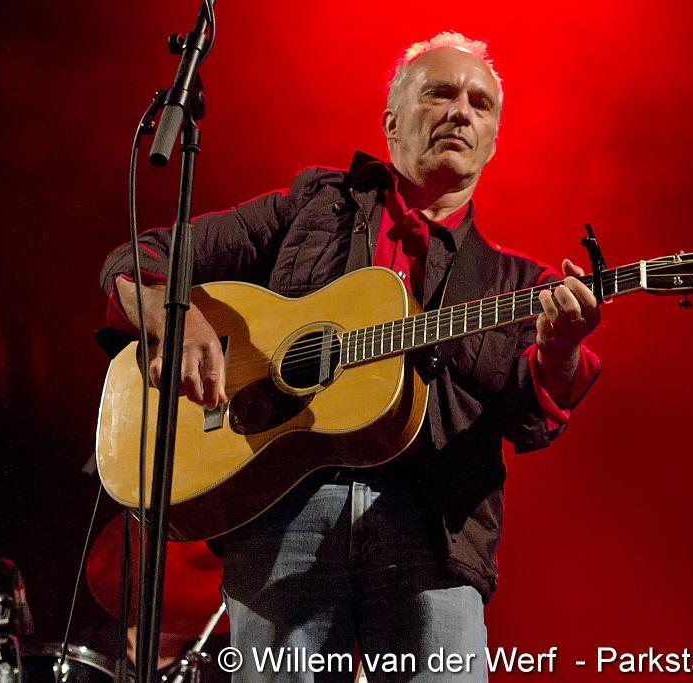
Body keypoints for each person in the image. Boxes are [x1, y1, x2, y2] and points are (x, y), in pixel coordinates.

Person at [98, 32, 601, 682]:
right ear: (391, 123)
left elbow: (532, 419)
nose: (461, 112)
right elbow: (137, 258)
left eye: (480, 104)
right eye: (441, 93)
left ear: (493, 141)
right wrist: (177, 319)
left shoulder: (516, 285)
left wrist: (559, 348)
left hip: (434, 528)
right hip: (280, 506)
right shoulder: (313, 204)